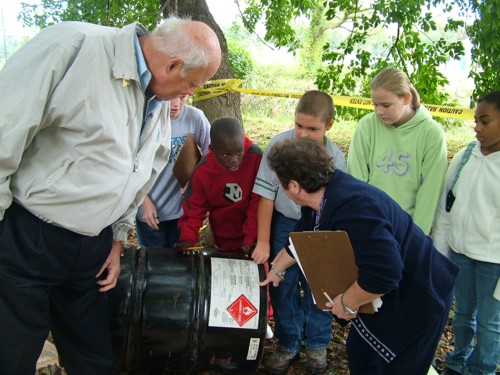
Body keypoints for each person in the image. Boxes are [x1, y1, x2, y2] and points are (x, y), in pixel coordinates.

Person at [0, 16, 221, 375]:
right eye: (191, 85)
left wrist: (117, 238)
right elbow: (5, 129)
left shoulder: (160, 94)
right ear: (173, 65)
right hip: (30, 235)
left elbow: (141, 172)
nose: (190, 94)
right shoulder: (72, 47)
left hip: (93, 247)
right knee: (12, 354)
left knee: (93, 357)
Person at [260, 137, 459, 375]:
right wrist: (277, 270)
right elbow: (303, 240)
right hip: (384, 296)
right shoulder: (322, 196)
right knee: (361, 353)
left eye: (280, 183)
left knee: (397, 366)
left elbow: (384, 274)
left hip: (419, 294)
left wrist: (346, 303)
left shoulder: (354, 208)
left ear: (294, 186)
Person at [251, 90, 346, 374]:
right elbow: (266, 195)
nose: (303, 134)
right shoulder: (279, 145)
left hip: (320, 227)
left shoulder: (335, 157)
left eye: (313, 129)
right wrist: (265, 241)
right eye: (299, 125)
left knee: (320, 285)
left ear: (328, 125)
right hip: (285, 222)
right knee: (282, 285)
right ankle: (288, 341)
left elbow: (335, 206)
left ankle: (317, 343)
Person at [432, 91, 500, 375]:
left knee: (489, 322)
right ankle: (457, 362)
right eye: (475, 120)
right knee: (461, 315)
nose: (477, 128)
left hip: (492, 261)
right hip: (459, 253)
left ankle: (481, 369)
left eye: (485, 121)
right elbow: (445, 206)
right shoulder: (465, 156)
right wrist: (440, 250)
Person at [347, 67, 447, 234]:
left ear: (406, 98)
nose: (379, 111)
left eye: (386, 105)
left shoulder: (432, 133)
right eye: (375, 104)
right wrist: (361, 222)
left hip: (407, 227)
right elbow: (356, 180)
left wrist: (415, 236)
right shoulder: (367, 125)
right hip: (368, 222)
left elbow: (430, 190)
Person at [175, 117, 262, 254]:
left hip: (257, 236)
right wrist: (188, 239)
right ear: (213, 149)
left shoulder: (255, 157)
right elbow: (194, 211)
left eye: (239, 152)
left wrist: (251, 238)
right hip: (224, 237)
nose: (234, 160)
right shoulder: (202, 171)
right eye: (226, 155)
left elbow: (258, 201)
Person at [136, 95, 211, 248]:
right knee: (155, 265)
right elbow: (130, 164)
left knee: (181, 264)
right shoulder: (145, 118)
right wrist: (142, 200)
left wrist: (194, 180)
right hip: (149, 212)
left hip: (182, 213)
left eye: (182, 97)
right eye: (170, 97)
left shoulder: (195, 117)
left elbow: (211, 154)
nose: (176, 104)